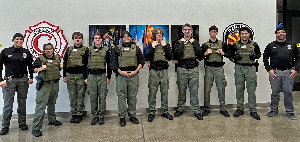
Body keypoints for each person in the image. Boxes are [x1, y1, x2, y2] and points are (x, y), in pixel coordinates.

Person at [263, 27, 300, 120]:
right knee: (275, 92)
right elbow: (265, 57)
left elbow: (298, 58)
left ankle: (290, 111)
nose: (281, 34)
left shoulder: (292, 45)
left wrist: (296, 70)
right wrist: (269, 70)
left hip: (288, 72)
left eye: (283, 32)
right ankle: (273, 110)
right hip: (275, 72)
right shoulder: (271, 45)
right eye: (278, 32)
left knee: (288, 92)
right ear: (276, 34)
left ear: (285, 34)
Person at [0, 33, 33, 135]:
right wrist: (1, 79)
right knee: (8, 104)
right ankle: (5, 126)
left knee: (22, 102)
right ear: (13, 40)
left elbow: (30, 66)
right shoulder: (5, 52)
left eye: (21, 39)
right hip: (9, 81)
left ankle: (22, 123)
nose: (19, 41)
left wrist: (31, 77)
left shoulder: (26, 52)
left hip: (23, 80)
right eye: (17, 39)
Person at [110, 31, 144, 127]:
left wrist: (135, 71)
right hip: (121, 76)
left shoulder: (136, 48)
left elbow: (142, 61)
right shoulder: (117, 48)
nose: (126, 38)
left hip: (133, 75)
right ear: (121, 39)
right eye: (124, 37)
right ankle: (122, 117)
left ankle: (132, 115)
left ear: (130, 37)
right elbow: (113, 63)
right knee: (121, 97)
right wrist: (122, 72)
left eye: (128, 36)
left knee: (132, 96)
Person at [229, 27, 261, 120]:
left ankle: (253, 110)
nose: (244, 35)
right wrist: (235, 58)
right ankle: (240, 109)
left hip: (250, 68)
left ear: (249, 35)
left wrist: (254, 56)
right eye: (242, 34)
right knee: (239, 89)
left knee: (251, 90)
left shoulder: (254, 44)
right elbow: (230, 54)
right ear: (239, 35)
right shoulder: (235, 45)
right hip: (239, 68)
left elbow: (259, 54)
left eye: (246, 33)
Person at [31, 43, 63, 137]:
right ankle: (36, 128)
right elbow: (32, 69)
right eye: (46, 49)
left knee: (52, 103)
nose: (49, 50)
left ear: (53, 49)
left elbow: (57, 69)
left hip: (55, 83)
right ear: (44, 51)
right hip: (44, 85)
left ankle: (52, 120)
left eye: (50, 49)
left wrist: (61, 67)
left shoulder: (57, 58)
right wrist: (40, 68)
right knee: (41, 106)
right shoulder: (40, 59)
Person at [173, 23, 203, 120]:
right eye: (185, 29)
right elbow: (178, 54)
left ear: (191, 31)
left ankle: (196, 110)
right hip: (182, 69)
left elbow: (200, 55)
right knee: (181, 90)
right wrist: (182, 42)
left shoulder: (195, 42)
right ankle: (180, 109)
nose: (187, 31)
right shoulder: (178, 42)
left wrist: (194, 43)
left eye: (188, 29)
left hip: (193, 69)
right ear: (182, 31)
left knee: (194, 91)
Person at [200, 25, 230, 117]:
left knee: (221, 88)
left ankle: (222, 108)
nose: (213, 33)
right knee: (207, 89)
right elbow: (199, 57)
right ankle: (207, 108)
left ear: (217, 33)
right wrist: (205, 53)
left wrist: (223, 53)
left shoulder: (222, 44)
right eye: (211, 31)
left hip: (219, 68)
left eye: (215, 31)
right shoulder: (205, 45)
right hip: (209, 68)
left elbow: (230, 54)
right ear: (209, 33)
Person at [145, 27, 173, 122]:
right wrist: (152, 48)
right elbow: (147, 57)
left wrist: (165, 47)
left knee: (164, 92)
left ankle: (164, 111)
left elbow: (170, 57)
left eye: (160, 33)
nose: (159, 34)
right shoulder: (150, 44)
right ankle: (152, 112)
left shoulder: (167, 45)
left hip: (164, 71)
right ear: (154, 35)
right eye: (157, 33)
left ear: (162, 35)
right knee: (152, 92)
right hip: (153, 71)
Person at [84, 32, 112, 125]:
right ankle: (95, 116)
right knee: (93, 97)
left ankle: (101, 116)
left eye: (99, 38)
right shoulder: (89, 50)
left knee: (102, 97)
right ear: (93, 40)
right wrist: (85, 77)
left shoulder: (106, 50)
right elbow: (84, 65)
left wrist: (109, 76)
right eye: (95, 38)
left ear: (102, 40)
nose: (97, 40)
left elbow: (109, 64)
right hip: (91, 76)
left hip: (102, 75)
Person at [63, 32, 87, 123]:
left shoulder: (85, 50)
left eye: (80, 38)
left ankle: (80, 114)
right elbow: (65, 63)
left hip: (81, 75)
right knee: (72, 95)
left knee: (80, 95)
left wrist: (85, 77)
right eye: (76, 38)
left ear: (82, 39)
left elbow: (87, 64)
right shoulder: (69, 50)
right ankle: (73, 114)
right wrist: (64, 75)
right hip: (70, 75)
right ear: (73, 39)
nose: (78, 39)